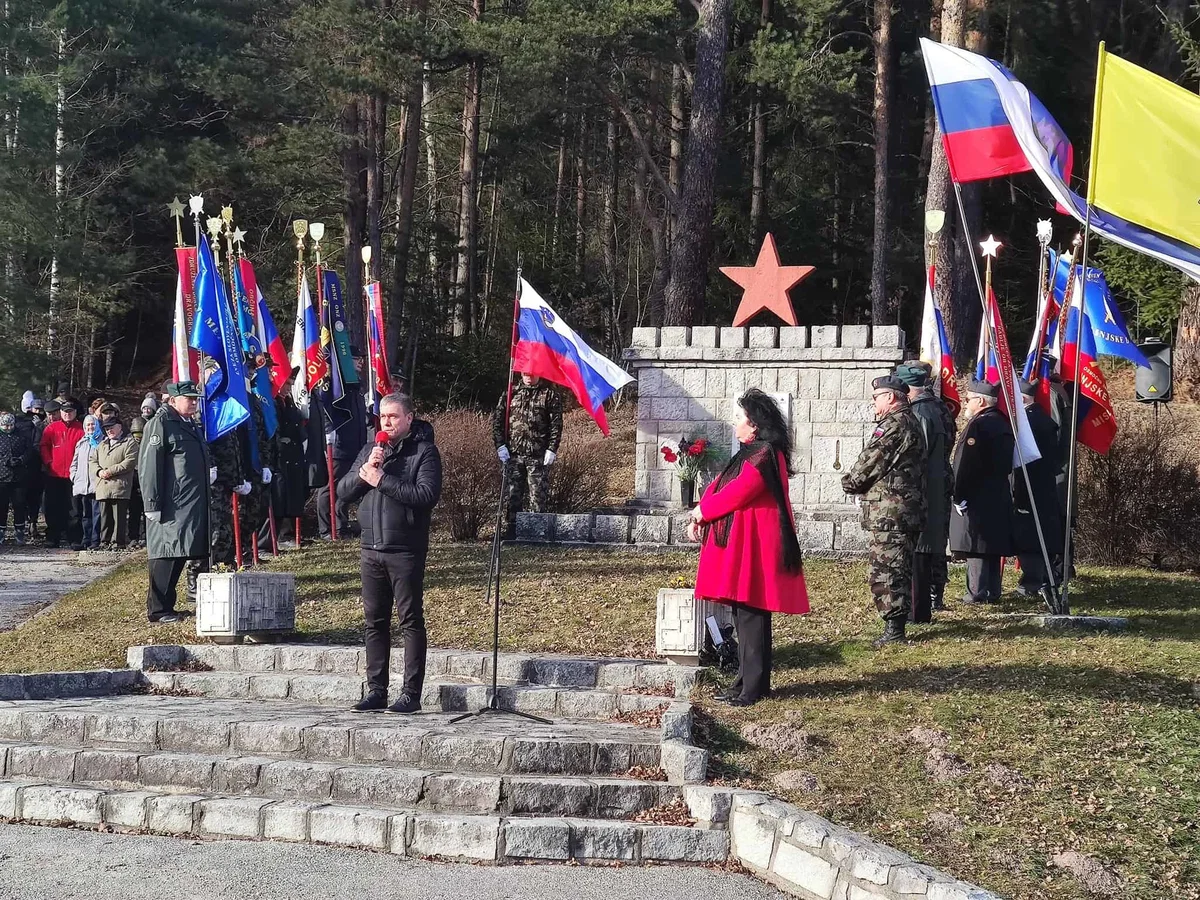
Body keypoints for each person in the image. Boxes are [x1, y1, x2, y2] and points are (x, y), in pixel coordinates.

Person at [687, 389, 808, 706]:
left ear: (754, 424)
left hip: (756, 546)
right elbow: (720, 487)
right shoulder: (751, 451)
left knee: (751, 613)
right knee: (744, 614)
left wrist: (703, 512)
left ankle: (752, 687)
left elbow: (741, 490)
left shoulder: (765, 453)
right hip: (746, 544)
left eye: (740, 419)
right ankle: (746, 681)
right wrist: (700, 513)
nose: (735, 424)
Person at [337, 393, 442, 713]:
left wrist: (383, 480)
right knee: (375, 622)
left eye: (394, 417)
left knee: (409, 621)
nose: (387, 422)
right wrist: (365, 472)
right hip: (371, 548)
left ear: (409, 418)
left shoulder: (424, 452)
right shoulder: (371, 451)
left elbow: (426, 495)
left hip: (405, 549)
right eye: (383, 417)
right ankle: (376, 690)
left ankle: (411, 694)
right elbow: (343, 492)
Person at [841, 375, 927, 647]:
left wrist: (850, 482)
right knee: (896, 567)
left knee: (888, 570)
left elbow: (871, 461)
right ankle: (896, 624)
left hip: (892, 512)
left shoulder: (895, 424)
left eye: (877, 397)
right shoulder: (908, 421)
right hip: (899, 510)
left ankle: (894, 630)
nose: (874, 403)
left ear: (890, 397)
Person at [140, 381, 211, 624]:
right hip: (172, 503)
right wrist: (151, 503)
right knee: (166, 553)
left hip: (188, 503)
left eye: (195, 398)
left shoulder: (188, 423)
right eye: (189, 398)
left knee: (180, 550)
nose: (193, 402)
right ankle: (158, 610)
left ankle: (166, 606)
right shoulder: (160, 423)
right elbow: (149, 465)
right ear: (172, 400)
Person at [950, 381, 1015, 604]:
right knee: (992, 544)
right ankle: (992, 590)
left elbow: (966, 463)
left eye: (968, 399)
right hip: (998, 490)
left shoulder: (979, 425)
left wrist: (959, 493)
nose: (966, 403)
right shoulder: (1003, 422)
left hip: (977, 492)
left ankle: (976, 592)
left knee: (977, 543)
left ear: (980, 401)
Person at [895, 362, 950, 624]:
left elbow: (919, 456)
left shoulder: (922, 413)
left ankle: (917, 612)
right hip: (930, 489)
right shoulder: (931, 407)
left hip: (923, 491)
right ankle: (920, 609)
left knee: (919, 555)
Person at [492, 372, 563, 537]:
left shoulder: (549, 395)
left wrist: (552, 448)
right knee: (513, 496)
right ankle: (512, 532)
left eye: (531, 372)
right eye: (525, 373)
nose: (528, 376)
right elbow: (498, 421)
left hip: (537, 456)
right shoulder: (511, 393)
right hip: (514, 455)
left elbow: (556, 425)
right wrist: (500, 445)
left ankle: (535, 534)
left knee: (537, 497)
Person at [1013, 379, 1063, 597]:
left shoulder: (1029, 424)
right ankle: (1045, 578)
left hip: (1031, 486)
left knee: (1031, 536)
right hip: (1045, 486)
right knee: (1042, 533)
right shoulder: (1043, 419)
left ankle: (1032, 582)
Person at [317, 349, 369, 540]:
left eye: (361, 359)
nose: (360, 362)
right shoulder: (334, 383)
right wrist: (328, 432)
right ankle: (326, 528)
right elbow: (325, 408)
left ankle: (340, 525)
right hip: (339, 444)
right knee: (330, 486)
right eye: (356, 359)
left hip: (354, 443)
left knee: (345, 487)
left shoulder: (355, 384)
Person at [259, 367, 307, 551]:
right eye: (287, 383)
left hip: (290, 457)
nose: (291, 386)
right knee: (275, 500)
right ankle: (264, 544)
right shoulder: (270, 402)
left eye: (292, 383)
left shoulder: (286, 401)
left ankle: (277, 538)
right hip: (276, 458)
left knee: (285, 499)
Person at [40, 397, 84, 549]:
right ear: (61, 413)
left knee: (74, 509)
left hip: (73, 475)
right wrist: (48, 462)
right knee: (53, 506)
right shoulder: (51, 428)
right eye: (65, 412)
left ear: (75, 413)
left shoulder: (81, 428)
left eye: (70, 411)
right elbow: (44, 446)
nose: (67, 414)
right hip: (54, 473)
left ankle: (74, 539)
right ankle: (52, 537)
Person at [93, 414, 138, 549]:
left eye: (111, 428)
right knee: (105, 517)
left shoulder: (129, 442)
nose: (109, 431)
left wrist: (110, 471)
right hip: (103, 486)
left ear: (119, 427)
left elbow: (129, 462)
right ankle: (104, 541)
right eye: (106, 429)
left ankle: (118, 542)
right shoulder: (102, 444)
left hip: (119, 486)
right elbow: (92, 460)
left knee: (119, 517)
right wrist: (99, 471)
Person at [0, 412, 32, 545]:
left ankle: (19, 531)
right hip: (2, 476)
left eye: (10, 425)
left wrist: (21, 460)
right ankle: (1, 532)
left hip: (19, 476)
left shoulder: (21, 435)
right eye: (5, 425)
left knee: (19, 505)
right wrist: (5, 461)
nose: (8, 428)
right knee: (2, 506)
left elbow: (29, 451)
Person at [70, 414, 101, 550]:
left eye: (93, 424)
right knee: (85, 515)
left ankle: (95, 540)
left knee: (97, 514)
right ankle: (86, 539)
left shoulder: (102, 442)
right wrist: (74, 476)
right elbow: (74, 462)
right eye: (88, 425)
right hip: (83, 485)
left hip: (96, 484)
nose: (90, 427)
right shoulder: (81, 442)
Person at [127, 416, 146, 548]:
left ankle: (145, 536)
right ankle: (133, 536)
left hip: (145, 482)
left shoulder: (149, 444)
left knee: (146, 513)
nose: (138, 437)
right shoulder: (128, 444)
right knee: (134, 512)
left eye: (140, 434)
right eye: (135, 434)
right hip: (133, 482)